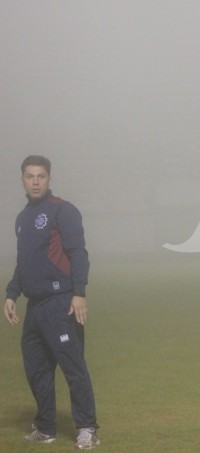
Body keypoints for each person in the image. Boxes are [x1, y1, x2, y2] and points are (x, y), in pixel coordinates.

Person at [3, 155, 100, 449]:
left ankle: (87, 428)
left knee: (73, 367)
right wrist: (11, 293)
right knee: (36, 370)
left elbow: (78, 253)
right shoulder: (22, 219)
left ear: (49, 179)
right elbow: (24, 263)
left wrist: (79, 292)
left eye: (40, 176)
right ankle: (46, 428)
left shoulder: (62, 211)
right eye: (29, 176)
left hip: (61, 303)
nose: (35, 181)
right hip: (35, 307)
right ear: (21, 179)